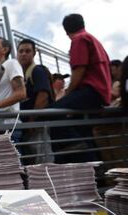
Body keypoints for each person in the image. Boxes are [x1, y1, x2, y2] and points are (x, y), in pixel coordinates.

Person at [50, 14, 112, 163]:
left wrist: (68, 93)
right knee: (82, 129)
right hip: (100, 94)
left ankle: (77, 150)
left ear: (66, 31)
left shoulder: (79, 39)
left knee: (52, 112)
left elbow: (79, 71)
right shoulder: (94, 40)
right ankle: (96, 169)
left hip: (90, 91)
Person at [17, 38, 55, 163]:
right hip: (29, 126)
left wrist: (32, 120)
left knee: (43, 160)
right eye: (21, 51)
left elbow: (43, 96)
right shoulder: (22, 74)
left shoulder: (37, 70)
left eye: (27, 51)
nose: (23, 54)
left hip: (38, 125)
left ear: (34, 53)